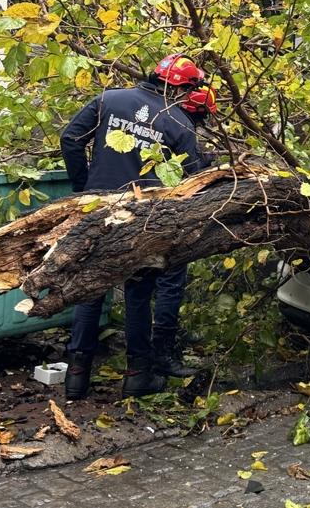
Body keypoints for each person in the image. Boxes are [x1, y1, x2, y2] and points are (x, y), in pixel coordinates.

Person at [59, 53, 209, 400]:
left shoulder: (109, 99)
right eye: (189, 91)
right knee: (139, 296)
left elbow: (71, 139)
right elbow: (195, 179)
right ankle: (137, 375)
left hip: (97, 209)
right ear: (179, 87)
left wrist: (85, 188)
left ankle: (76, 377)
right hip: (145, 218)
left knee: (91, 289)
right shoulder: (179, 123)